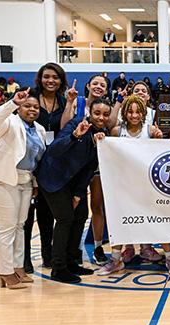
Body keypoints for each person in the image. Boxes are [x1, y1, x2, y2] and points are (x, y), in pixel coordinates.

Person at [37, 98, 112, 283]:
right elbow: (54, 150)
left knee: (80, 216)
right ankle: (58, 267)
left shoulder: (101, 135)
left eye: (105, 114)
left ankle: (71, 261)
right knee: (65, 219)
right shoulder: (75, 125)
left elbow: (89, 168)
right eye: (97, 113)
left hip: (73, 183)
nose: (101, 117)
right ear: (89, 113)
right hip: (53, 179)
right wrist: (75, 136)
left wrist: (79, 194)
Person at [0, 88, 46, 289]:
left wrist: (34, 184)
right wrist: (12, 103)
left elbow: (36, 161)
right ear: (19, 108)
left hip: (24, 182)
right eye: (27, 106)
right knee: (6, 226)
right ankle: (5, 271)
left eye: (35, 106)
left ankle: (18, 268)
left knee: (20, 226)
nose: (32, 109)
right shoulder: (10, 122)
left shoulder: (40, 130)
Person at [96, 96, 163, 276]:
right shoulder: (117, 131)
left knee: (146, 216)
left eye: (138, 111)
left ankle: (146, 247)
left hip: (145, 183)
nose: (134, 115)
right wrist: (102, 138)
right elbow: (109, 152)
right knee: (122, 218)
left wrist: (160, 139)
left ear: (143, 113)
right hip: (122, 183)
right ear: (124, 112)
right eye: (130, 111)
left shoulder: (151, 130)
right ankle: (119, 255)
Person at [61, 75, 114, 266]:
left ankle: (98, 246)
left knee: (97, 207)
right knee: (75, 211)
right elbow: (64, 127)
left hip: (97, 166)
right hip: (76, 166)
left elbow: (112, 126)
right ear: (88, 86)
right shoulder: (78, 102)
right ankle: (67, 249)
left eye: (103, 85)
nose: (99, 86)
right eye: (96, 83)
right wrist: (68, 102)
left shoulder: (106, 110)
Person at [23, 62, 69, 273]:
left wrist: (69, 104)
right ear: (40, 78)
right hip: (30, 161)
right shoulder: (29, 97)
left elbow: (64, 128)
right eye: (47, 76)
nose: (51, 80)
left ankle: (47, 254)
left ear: (61, 81)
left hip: (53, 164)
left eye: (55, 77)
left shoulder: (63, 100)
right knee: (27, 214)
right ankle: (24, 258)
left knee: (47, 211)